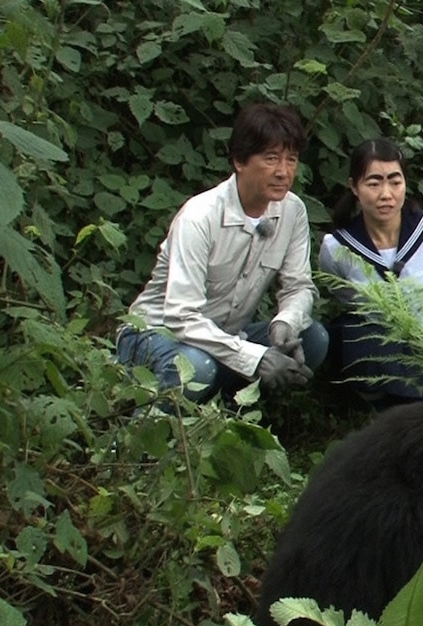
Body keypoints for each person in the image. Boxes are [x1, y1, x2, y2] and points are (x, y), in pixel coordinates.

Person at [116, 102, 328, 404]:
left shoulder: (293, 211)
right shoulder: (199, 216)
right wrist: (255, 357)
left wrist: (285, 323)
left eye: (291, 159)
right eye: (271, 159)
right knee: (196, 368)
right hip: (156, 333)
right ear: (239, 161)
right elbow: (181, 317)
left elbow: (299, 286)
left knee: (312, 338)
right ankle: (146, 426)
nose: (283, 172)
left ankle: (230, 412)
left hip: (226, 337)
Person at [319, 137, 423, 413]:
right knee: (356, 338)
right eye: (374, 183)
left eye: (395, 182)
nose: (386, 194)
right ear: (354, 187)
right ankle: (408, 403)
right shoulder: (338, 246)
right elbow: (341, 290)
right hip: (379, 336)